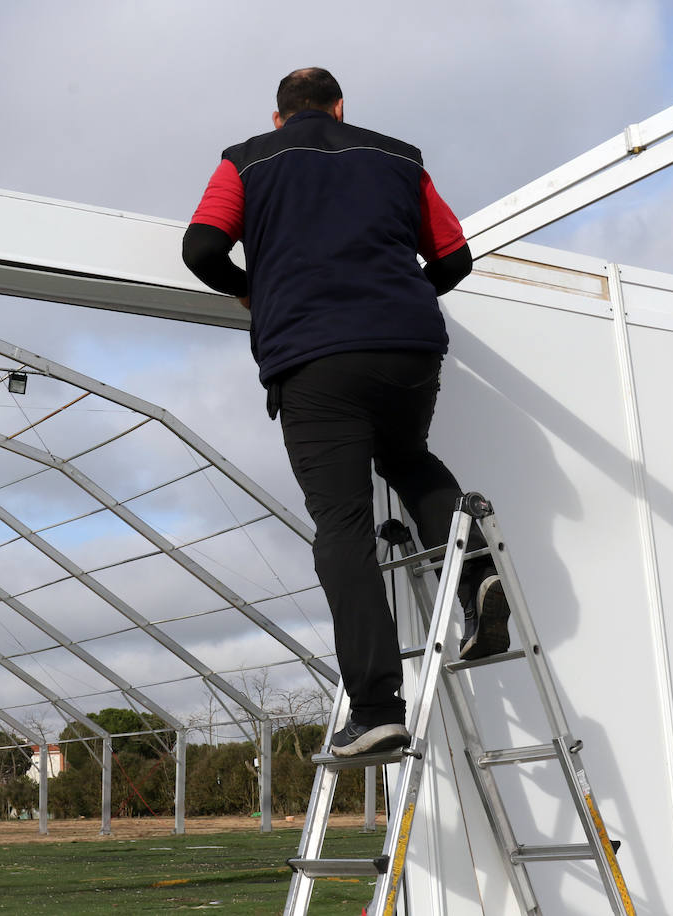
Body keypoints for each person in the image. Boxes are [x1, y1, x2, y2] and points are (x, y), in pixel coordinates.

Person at [182, 67, 510, 758]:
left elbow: (202, 248)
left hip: (314, 356)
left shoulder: (247, 159)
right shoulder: (398, 156)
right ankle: (478, 575)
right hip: (408, 344)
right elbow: (453, 257)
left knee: (343, 523)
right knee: (410, 457)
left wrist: (253, 291)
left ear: (278, 117)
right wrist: (401, 293)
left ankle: (377, 709)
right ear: (339, 107)